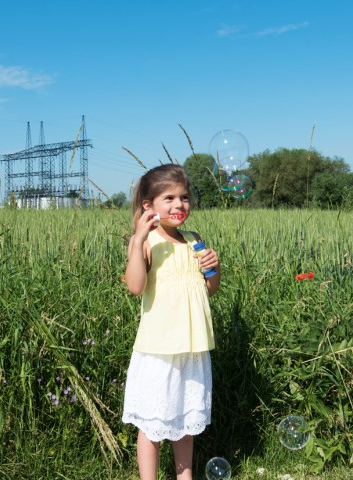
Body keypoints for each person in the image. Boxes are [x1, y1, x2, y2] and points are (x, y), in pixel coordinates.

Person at [122, 164, 221, 480]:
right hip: (159, 349)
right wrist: (137, 241)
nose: (179, 205)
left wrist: (214, 268)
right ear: (148, 206)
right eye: (169, 198)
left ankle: (185, 476)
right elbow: (135, 286)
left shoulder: (195, 240)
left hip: (192, 347)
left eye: (184, 197)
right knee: (152, 424)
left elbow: (210, 289)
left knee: (184, 419)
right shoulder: (148, 242)